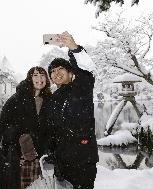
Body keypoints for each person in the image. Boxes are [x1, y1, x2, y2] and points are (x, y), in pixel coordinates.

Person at [46, 31, 99, 189]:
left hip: (82, 160)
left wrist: (73, 48)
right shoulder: (53, 99)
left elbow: (86, 70)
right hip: (61, 163)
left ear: (71, 73)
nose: (56, 73)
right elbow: (52, 130)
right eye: (53, 71)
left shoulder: (80, 87)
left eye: (61, 69)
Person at [0, 66, 51, 189]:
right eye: (35, 75)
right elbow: (3, 127)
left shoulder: (48, 99)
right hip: (18, 156)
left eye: (42, 75)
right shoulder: (16, 99)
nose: (39, 79)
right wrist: (22, 136)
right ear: (29, 78)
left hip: (39, 155)